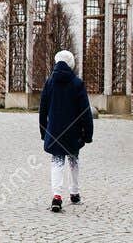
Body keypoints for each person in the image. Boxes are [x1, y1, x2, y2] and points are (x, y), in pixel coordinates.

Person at [38, 49, 94, 213]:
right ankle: (74, 192)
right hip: (73, 131)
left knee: (57, 161)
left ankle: (56, 196)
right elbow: (85, 111)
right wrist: (87, 134)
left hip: (54, 130)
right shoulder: (77, 83)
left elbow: (43, 110)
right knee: (74, 159)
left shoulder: (49, 83)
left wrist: (43, 131)